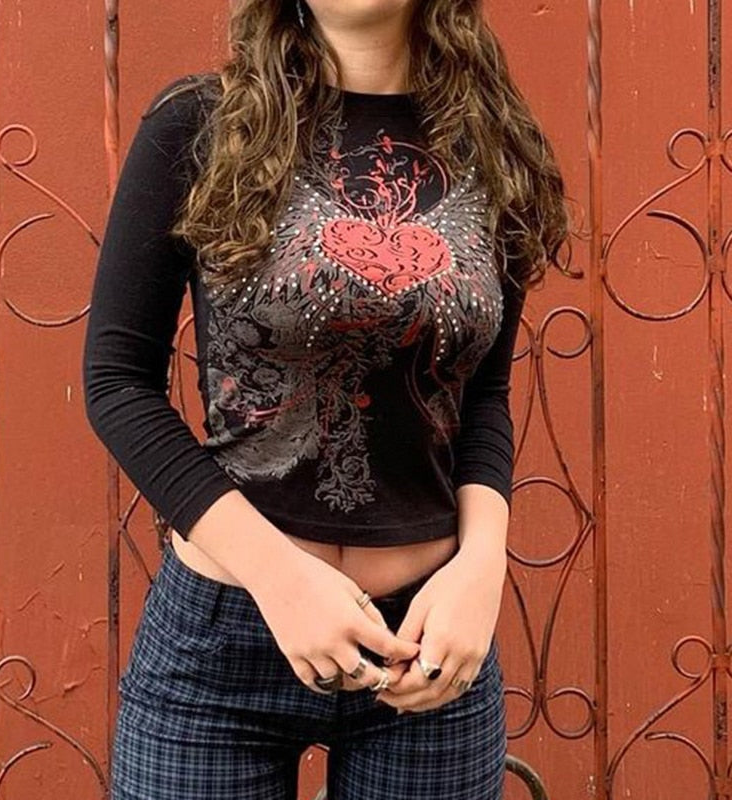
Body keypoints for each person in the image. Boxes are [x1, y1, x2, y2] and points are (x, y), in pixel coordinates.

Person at [82, 0, 571, 797]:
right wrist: (278, 576)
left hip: (425, 643)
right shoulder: (201, 125)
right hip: (224, 636)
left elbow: (483, 394)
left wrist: (482, 569)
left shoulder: (492, 145)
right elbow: (117, 382)